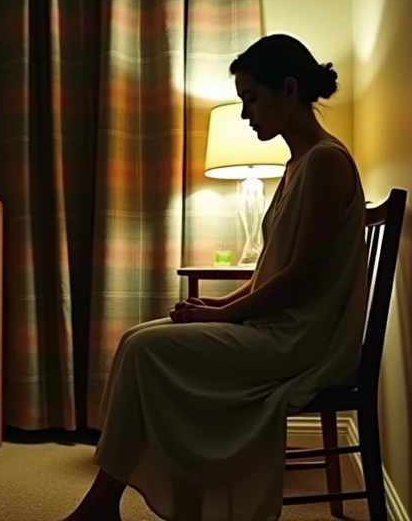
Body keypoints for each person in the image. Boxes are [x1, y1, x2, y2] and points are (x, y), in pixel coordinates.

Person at [64, 34, 369, 521]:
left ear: (288, 89)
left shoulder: (327, 163)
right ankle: (105, 503)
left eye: (251, 98)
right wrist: (217, 307)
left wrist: (225, 312)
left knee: (146, 350)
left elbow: (304, 279)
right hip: (278, 326)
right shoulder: (297, 166)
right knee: (135, 340)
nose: (246, 113)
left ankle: (101, 506)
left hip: (302, 340)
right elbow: (273, 268)